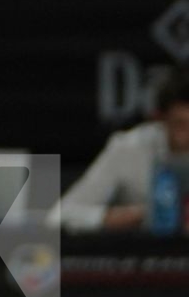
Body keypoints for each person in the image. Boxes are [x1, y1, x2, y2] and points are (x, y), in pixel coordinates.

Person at [49, 67, 189, 232]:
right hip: (143, 253)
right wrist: (128, 216)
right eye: (180, 124)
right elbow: (60, 215)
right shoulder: (128, 147)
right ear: (160, 119)